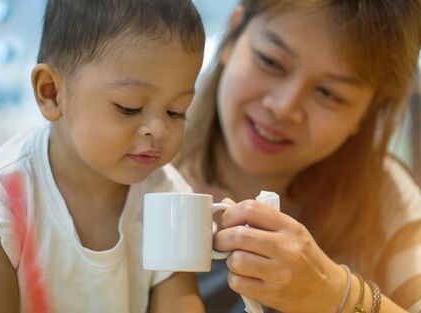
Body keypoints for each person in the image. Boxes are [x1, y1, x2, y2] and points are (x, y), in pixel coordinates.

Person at [177, 0, 421, 312]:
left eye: (329, 94)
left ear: (367, 112)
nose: (284, 107)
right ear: (233, 33)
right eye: (271, 61)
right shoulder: (133, 161)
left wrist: (336, 293)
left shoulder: (385, 199)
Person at [0, 0, 205, 312]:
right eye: (130, 107)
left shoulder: (166, 193)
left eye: (177, 111)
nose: (158, 129)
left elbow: (180, 303)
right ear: (51, 93)